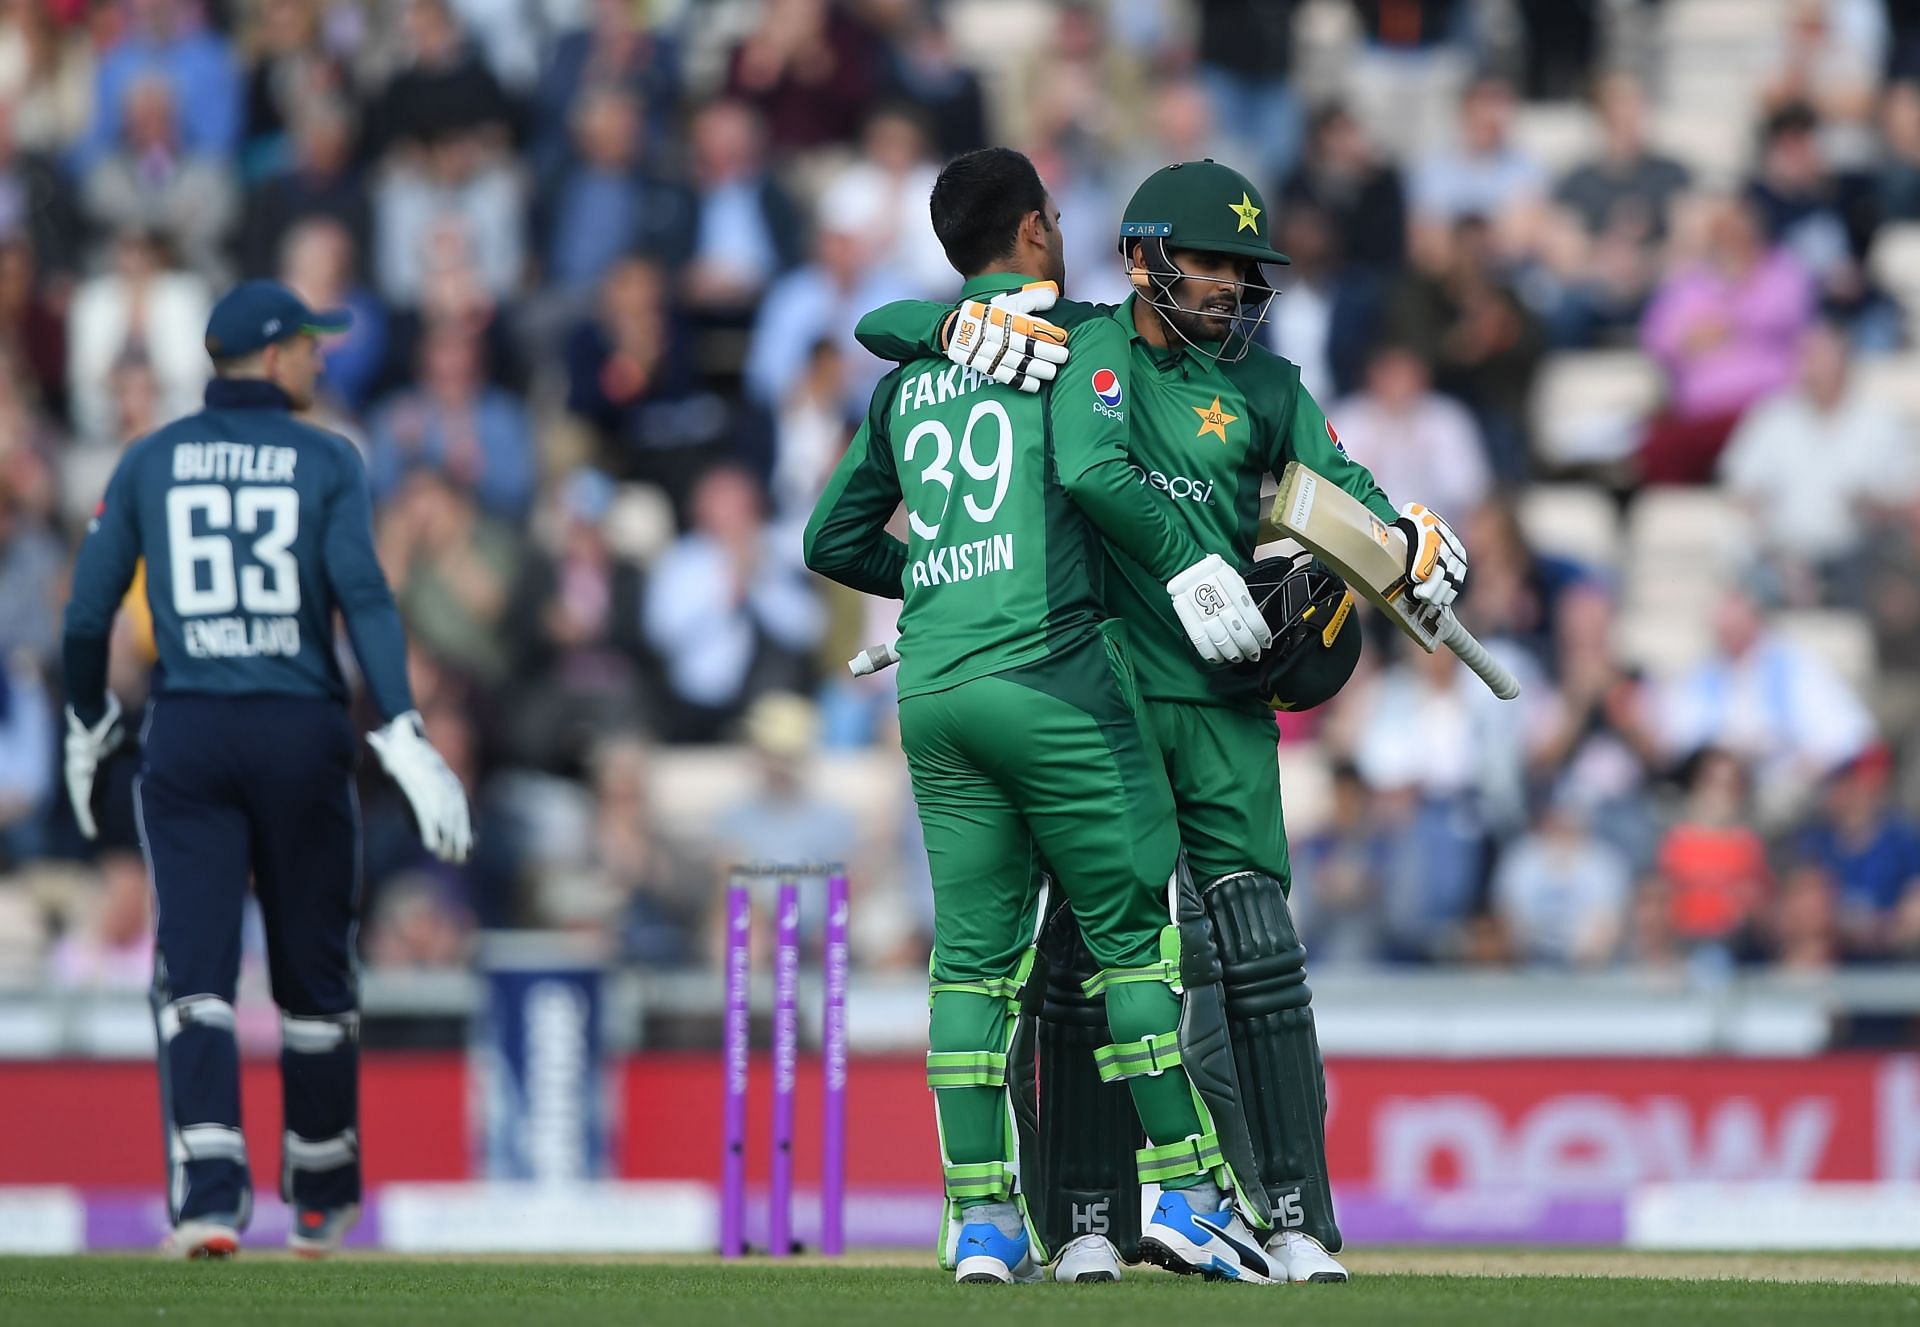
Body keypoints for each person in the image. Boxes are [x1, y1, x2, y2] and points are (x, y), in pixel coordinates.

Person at [855, 156, 1473, 1283]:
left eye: (1248, 270)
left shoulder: (1271, 388)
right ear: (1144, 260)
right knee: (1087, 959)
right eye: (1213, 265)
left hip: (1230, 706)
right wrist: (944, 335)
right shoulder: (1077, 346)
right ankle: (1086, 1215)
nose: (1234, 287)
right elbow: (911, 330)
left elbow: (1351, 498)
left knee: (1256, 954)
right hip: (1102, 691)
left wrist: (1414, 546)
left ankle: (1290, 1215)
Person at [805, 147, 1283, 1285]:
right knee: (1134, 935)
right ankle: (1185, 1188)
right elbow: (1095, 461)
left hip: (933, 694)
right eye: (1055, 220)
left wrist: (931, 579)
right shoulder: (1070, 342)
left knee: (970, 965)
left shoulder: (913, 375)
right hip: (1052, 679)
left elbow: (829, 539)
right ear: (1033, 229)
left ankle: (980, 1222)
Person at [59, 279, 471, 1259]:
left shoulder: (151, 458)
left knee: (195, 972)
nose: (321, 359)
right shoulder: (328, 457)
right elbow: (364, 598)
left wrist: (86, 719)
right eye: (310, 346)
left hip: (190, 730)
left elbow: (85, 614)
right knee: (313, 971)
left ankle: (208, 1197)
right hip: (297, 729)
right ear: (275, 356)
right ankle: (321, 1188)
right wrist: (404, 730)